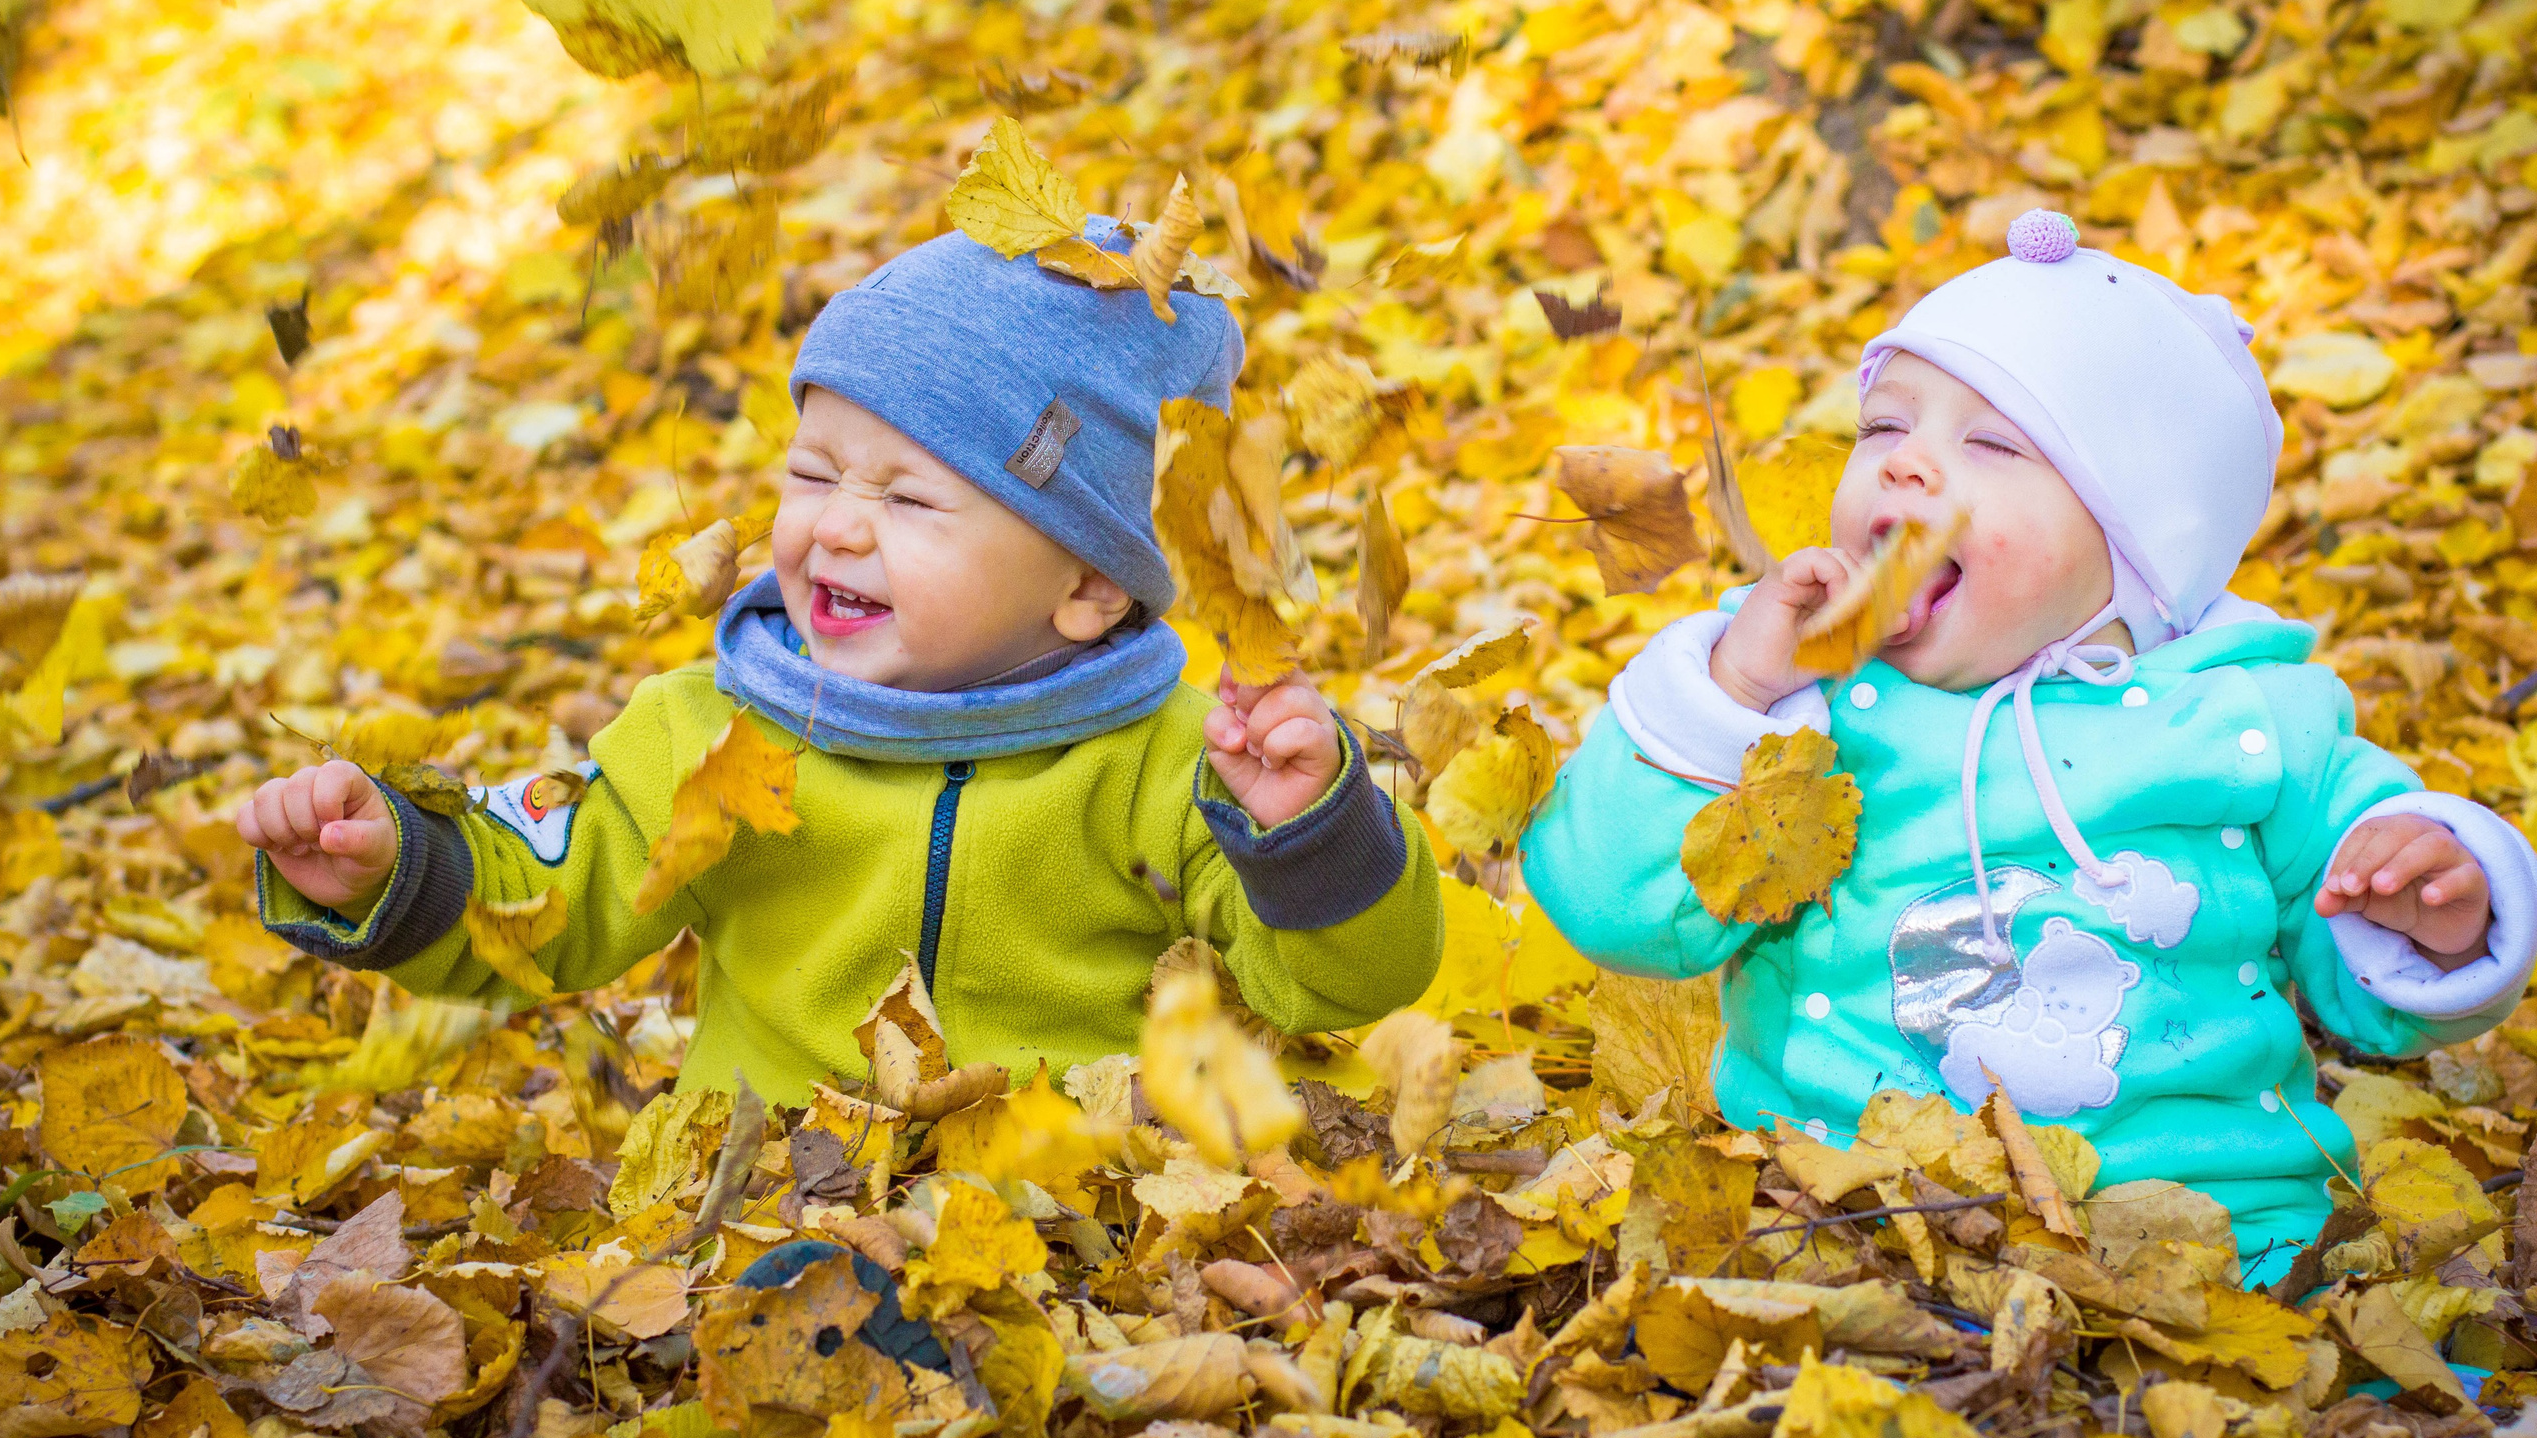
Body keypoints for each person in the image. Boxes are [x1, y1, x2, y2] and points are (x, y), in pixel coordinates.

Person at [1524, 209, 2537, 1284]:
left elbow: (2366, 1000)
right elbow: (1613, 911)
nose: (1907, 465)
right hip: (1846, 1220)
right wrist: (1730, 694)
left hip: (2219, 1236)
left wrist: (2433, 919)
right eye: (1883, 428)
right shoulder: (1800, 701)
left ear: (2136, 547)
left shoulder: (2249, 719)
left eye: (1994, 444)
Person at [238, 218, 1444, 1105]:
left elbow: (1343, 990)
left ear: (1084, 585)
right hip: (766, 1198)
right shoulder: (706, 727)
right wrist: (396, 859)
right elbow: (554, 896)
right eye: (812, 474)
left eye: (912, 499)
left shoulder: (1170, 761)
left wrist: (1310, 836)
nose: (840, 525)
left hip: (1083, 1202)